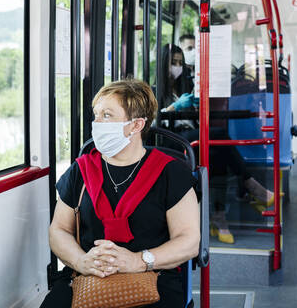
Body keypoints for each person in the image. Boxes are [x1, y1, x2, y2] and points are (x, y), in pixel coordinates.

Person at [41, 79, 201, 308]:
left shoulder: (171, 173)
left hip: (152, 275)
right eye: (96, 115)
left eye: (107, 115)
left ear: (136, 125)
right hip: (87, 275)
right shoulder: (81, 170)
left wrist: (138, 260)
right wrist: (82, 261)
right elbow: (59, 230)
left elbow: (189, 241)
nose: (96, 122)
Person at [159, 44, 274, 244]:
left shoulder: (185, 87)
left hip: (191, 138)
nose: (177, 67)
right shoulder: (156, 90)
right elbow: (154, 121)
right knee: (219, 135)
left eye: (180, 63)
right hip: (172, 140)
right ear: (163, 65)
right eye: (173, 63)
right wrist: (172, 107)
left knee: (217, 152)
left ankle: (219, 217)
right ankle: (250, 187)